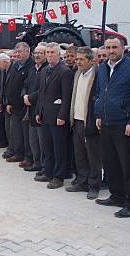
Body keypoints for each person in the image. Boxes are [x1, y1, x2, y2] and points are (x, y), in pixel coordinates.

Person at [94, 37, 130, 218]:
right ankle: (117, 195)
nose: (111, 50)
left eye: (115, 47)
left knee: (127, 165)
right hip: (106, 122)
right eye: (108, 47)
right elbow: (100, 93)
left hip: (124, 124)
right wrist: (98, 114)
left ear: (123, 48)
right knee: (111, 163)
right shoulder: (102, 68)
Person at [34, 42, 74, 189]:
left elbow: (66, 96)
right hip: (45, 115)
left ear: (59, 54)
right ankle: (48, 171)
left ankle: (59, 176)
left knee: (59, 148)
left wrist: (62, 116)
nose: (49, 55)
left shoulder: (65, 72)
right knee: (47, 146)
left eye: (52, 52)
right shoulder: (45, 71)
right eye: (48, 52)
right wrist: (39, 112)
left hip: (58, 117)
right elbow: (41, 94)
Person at [66, 47, 101, 199]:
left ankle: (94, 186)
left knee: (93, 156)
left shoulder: (97, 75)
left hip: (90, 121)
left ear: (90, 60)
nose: (78, 62)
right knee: (79, 154)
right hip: (77, 120)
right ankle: (82, 181)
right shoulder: (77, 74)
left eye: (81, 59)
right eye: (77, 59)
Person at [4, 42, 35, 166]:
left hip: (25, 106)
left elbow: (27, 86)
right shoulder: (15, 65)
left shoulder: (31, 66)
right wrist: (9, 102)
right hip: (14, 105)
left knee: (26, 134)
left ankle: (28, 157)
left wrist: (24, 99)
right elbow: (10, 84)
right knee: (15, 132)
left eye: (20, 52)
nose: (17, 54)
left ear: (27, 52)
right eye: (16, 52)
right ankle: (18, 153)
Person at [23, 45, 48, 173]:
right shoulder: (33, 69)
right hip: (30, 108)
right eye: (36, 53)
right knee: (33, 139)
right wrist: (24, 95)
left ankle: (44, 166)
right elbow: (25, 84)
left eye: (40, 53)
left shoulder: (46, 69)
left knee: (42, 140)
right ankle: (36, 162)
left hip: (40, 109)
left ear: (45, 55)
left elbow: (43, 89)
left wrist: (30, 97)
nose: (37, 55)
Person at [0, 53, 12, 151]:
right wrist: (0, 102)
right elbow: (1, 88)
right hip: (3, 102)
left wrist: (8, 102)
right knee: (4, 125)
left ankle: (11, 147)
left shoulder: (12, 70)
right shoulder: (3, 71)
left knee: (11, 128)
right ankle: (8, 145)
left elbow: (12, 89)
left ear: (5, 62)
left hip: (11, 104)